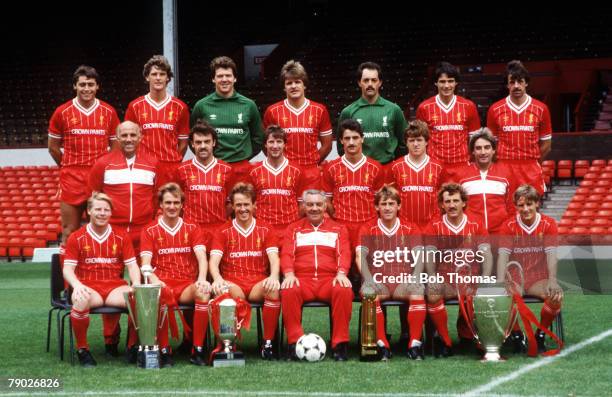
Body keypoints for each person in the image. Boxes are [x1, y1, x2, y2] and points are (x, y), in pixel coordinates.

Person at [89, 120, 159, 355]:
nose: (128, 139)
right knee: (110, 284)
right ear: (117, 138)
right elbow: (95, 198)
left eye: (133, 135)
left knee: (142, 286)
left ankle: (135, 339)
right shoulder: (103, 164)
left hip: (143, 232)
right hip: (113, 233)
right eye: (124, 135)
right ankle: (110, 339)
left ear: (141, 137)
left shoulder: (152, 163)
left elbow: (158, 199)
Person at [63, 192, 141, 367]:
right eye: (98, 209)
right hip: (89, 287)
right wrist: (76, 285)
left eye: (106, 210)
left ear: (111, 213)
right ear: (89, 211)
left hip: (114, 287)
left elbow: (132, 266)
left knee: (138, 298)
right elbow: (68, 269)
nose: (102, 213)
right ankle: (83, 349)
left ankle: (132, 347)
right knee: (81, 300)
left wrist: (136, 283)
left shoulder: (121, 236)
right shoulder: (77, 237)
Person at [48, 65, 120, 250]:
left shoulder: (108, 112)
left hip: (99, 178)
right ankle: (68, 279)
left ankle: (100, 275)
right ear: (75, 86)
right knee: (69, 230)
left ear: (97, 87)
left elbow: (116, 148)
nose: (86, 88)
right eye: (82, 84)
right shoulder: (62, 112)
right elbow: (53, 148)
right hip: (72, 176)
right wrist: (67, 167)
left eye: (90, 84)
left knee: (101, 229)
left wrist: (104, 169)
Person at [140, 183, 211, 367]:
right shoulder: (149, 230)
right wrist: (157, 282)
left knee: (202, 292)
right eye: (168, 202)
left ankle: (198, 349)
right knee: (160, 293)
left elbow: (202, 258)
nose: (172, 206)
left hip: (187, 284)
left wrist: (202, 279)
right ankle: (164, 350)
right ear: (161, 205)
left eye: (176, 202)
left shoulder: (192, 228)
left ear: (182, 205)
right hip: (163, 283)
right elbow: (145, 264)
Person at [207, 183, 281, 359]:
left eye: (246, 204)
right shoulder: (223, 230)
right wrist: (217, 279)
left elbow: (274, 258)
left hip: (257, 283)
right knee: (223, 291)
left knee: (272, 288)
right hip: (233, 283)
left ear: (254, 205)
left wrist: (273, 276)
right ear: (232, 206)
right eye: (238, 205)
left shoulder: (266, 228)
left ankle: (268, 343)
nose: (243, 209)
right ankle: (228, 344)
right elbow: (213, 261)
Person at [280, 190, 353, 361]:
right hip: (302, 279)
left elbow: (344, 252)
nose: (314, 208)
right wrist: (289, 274)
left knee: (343, 289)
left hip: (328, 279)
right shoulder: (293, 228)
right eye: (310, 204)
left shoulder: (339, 229)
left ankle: (339, 344)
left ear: (326, 205)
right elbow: (287, 254)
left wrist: (342, 272)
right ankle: (295, 342)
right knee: (289, 290)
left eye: (318, 204)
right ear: (303, 206)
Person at [356, 186, 426, 360]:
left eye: (391, 204)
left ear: (399, 206)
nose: (387, 207)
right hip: (380, 280)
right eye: (383, 204)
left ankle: (414, 344)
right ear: (376, 207)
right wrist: (369, 280)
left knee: (418, 291)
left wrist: (416, 277)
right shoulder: (368, 228)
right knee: (369, 293)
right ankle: (382, 345)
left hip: (403, 280)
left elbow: (420, 257)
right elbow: (360, 256)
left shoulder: (410, 228)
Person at [422, 183, 492, 357]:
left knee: (481, 293)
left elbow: (487, 254)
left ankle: (475, 337)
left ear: (463, 203)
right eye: (447, 201)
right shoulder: (434, 226)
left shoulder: (476, 224)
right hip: (445, 278)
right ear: (441, 204)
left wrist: (486, 278)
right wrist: (432, 277)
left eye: (455, 201)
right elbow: (429, 256)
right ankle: (445, 341)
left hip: (469, 278)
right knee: (433, 291)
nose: (451, 205)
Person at [497, 185, 562, 353]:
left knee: (555, 296)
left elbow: (551, 255)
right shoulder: (508, 226)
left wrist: (553, 281)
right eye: (521, 205)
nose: (525, 209)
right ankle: (517, 335)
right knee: (503, 296)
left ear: (537, 204)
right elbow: (502, 257)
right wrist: (501, 280)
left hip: (539, 277)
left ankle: (540, 334)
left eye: (529, 204)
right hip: (515, 277)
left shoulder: (549, 224)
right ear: (516, 206)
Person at [190, 56, 264, 185]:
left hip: (241, 168)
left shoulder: (249, 105)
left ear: (235, 78)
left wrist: (243, 156)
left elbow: (258, 138)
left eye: (228, 76)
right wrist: (208, 158)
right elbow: (192, 137)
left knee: (241, 205)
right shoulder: (201, 106)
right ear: (213, 79)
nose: (224, 80)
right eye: (220, 76)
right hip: (213, 167)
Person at [263, 60, 333, 189]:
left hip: (311, 173)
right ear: (284, 87)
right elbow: (265, 143)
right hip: (284, 171)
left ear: (304, 85)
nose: (293, 86)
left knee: (312, 208)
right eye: (289, 83)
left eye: (297, 82)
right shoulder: (272, 111)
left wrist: (313, 162)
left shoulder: (319, 110)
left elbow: (327, 144)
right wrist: (279, 163)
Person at [486, 60, 552, 194]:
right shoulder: (495, 109)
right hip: (504, 166)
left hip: (530, 167)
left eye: (520, 81)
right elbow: (490, 144)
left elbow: (546, 145)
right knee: (505, 210)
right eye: (512, 82)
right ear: (507, 85)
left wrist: (533, 161)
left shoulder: (541, 108)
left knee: (530, 211)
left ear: (526, 83)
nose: (516, 86)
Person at [322, 119, 385, 257]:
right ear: (341, 141)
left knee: (368, 268)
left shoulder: (376, 167)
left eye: (355, 138)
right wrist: (336, 217)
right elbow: (327, 200)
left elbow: (380, 201)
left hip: (368, 225)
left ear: (362, 139)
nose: (351, 142)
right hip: (342, 225)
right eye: (347, 138)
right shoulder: (331, 168)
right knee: (344, 267)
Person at [125, 55, 190, 187]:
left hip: (171, 167)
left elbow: (183, 142)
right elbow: (128, 139)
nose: (158, 77)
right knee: (146, 206)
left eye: (162, 74)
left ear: (168, 78)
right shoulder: (135, 106)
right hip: (143, 167)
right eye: (154, 74)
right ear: (147, 77)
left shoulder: (180, 107)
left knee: (169, 206)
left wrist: (172, 160)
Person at [416, 62, 481, 183]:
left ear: (456, 82)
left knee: (461, 201)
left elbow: (475, 139)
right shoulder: (424, 107)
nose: (446, 86)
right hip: (435, 165)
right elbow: (420, 140)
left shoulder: (468, 106)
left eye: (450, 81)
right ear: (435, 83)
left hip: (462, 165)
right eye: (442, 81)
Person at [338, 62, 407, 165]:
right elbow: (341, 147)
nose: (370, 84)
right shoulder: (348, 112)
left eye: (374, 80)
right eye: (366, 80)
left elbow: (403, 143)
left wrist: (394, 164)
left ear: (380, 82)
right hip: (360, 170)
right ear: (359, 82)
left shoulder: (394, 110)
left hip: (387, 169)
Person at [176, 119, 233, 245]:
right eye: (198, 142)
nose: (202, 146)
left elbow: (231, 203)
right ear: (192, 144)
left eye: (207, 142)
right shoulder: (181, 170)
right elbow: (177, 201)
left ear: (214, 142)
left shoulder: (227, 169)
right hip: (192, 230)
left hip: (218, 229)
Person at [248, 125, 305, 242]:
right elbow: (250, 203)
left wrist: (292, 224)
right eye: (271, 142)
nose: (275, 146)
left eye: (279, 142)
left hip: (289, 229)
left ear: (285, 144)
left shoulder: (297, 170)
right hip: (264, 228)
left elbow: (301, 204)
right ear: (265, 144)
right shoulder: (254, 171)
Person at [387, 120, 444, 228]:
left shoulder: (438, 167)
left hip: (432, 228)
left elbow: (443, 200)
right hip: (404, 228)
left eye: (419, 140)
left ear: (426, 142)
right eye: (412, 140)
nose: (416, 144)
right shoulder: (395, 167)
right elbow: (389, 199)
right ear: (406, 143)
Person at [457, 129, 516, 234]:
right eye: (478, 148)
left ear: (493, 150)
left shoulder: (506, 173)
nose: (483, 152)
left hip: (500, 234)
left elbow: (512, 208)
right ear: (473, 151)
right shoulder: (462, 175)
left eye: (487, 147)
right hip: (472, 234)